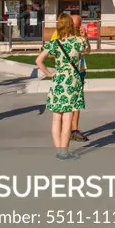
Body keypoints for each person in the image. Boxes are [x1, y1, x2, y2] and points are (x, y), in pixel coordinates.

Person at [36, 13, 86, 159]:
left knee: (56, 117)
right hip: (72, 81)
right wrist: (83, 35)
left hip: (58, 81)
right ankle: (64, 151)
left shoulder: (54, 43)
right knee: (68, 117)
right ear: (71, 25)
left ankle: (58, 150)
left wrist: (49, 73)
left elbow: (38, 60)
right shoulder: (78, 41)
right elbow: (86, 49)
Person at [70, 14, 90, 142]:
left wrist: (85, 38)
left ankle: (74, 129)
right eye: (76, 25)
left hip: (80, 70)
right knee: (69, 102)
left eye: (79, 25)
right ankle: (69, 129)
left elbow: (87, 51)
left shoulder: (79, 37)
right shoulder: (60, 35)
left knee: (76, 101)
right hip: (69, 72)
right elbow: (51, 53)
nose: (77, 27)